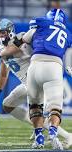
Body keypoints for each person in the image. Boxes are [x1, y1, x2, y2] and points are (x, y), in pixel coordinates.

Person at [0, 18, 72, 149]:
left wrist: (0, 53)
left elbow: (15, 50)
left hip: (38, 80)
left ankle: (66, 136)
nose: (0, 36)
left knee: (42, 109)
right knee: (7, 105)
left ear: (10, 31)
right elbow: (4, 73)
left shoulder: (21, 37)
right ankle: (38, 126)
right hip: (26, 83)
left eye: (2, 32)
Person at [22, 8, 72, 150]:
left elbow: (24, 40)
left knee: (35, 106)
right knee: (55, 107)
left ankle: (39, 137)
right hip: (54, 67)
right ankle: (53, 132)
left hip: (35, 64)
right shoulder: (68, 33)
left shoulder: (41, 24)